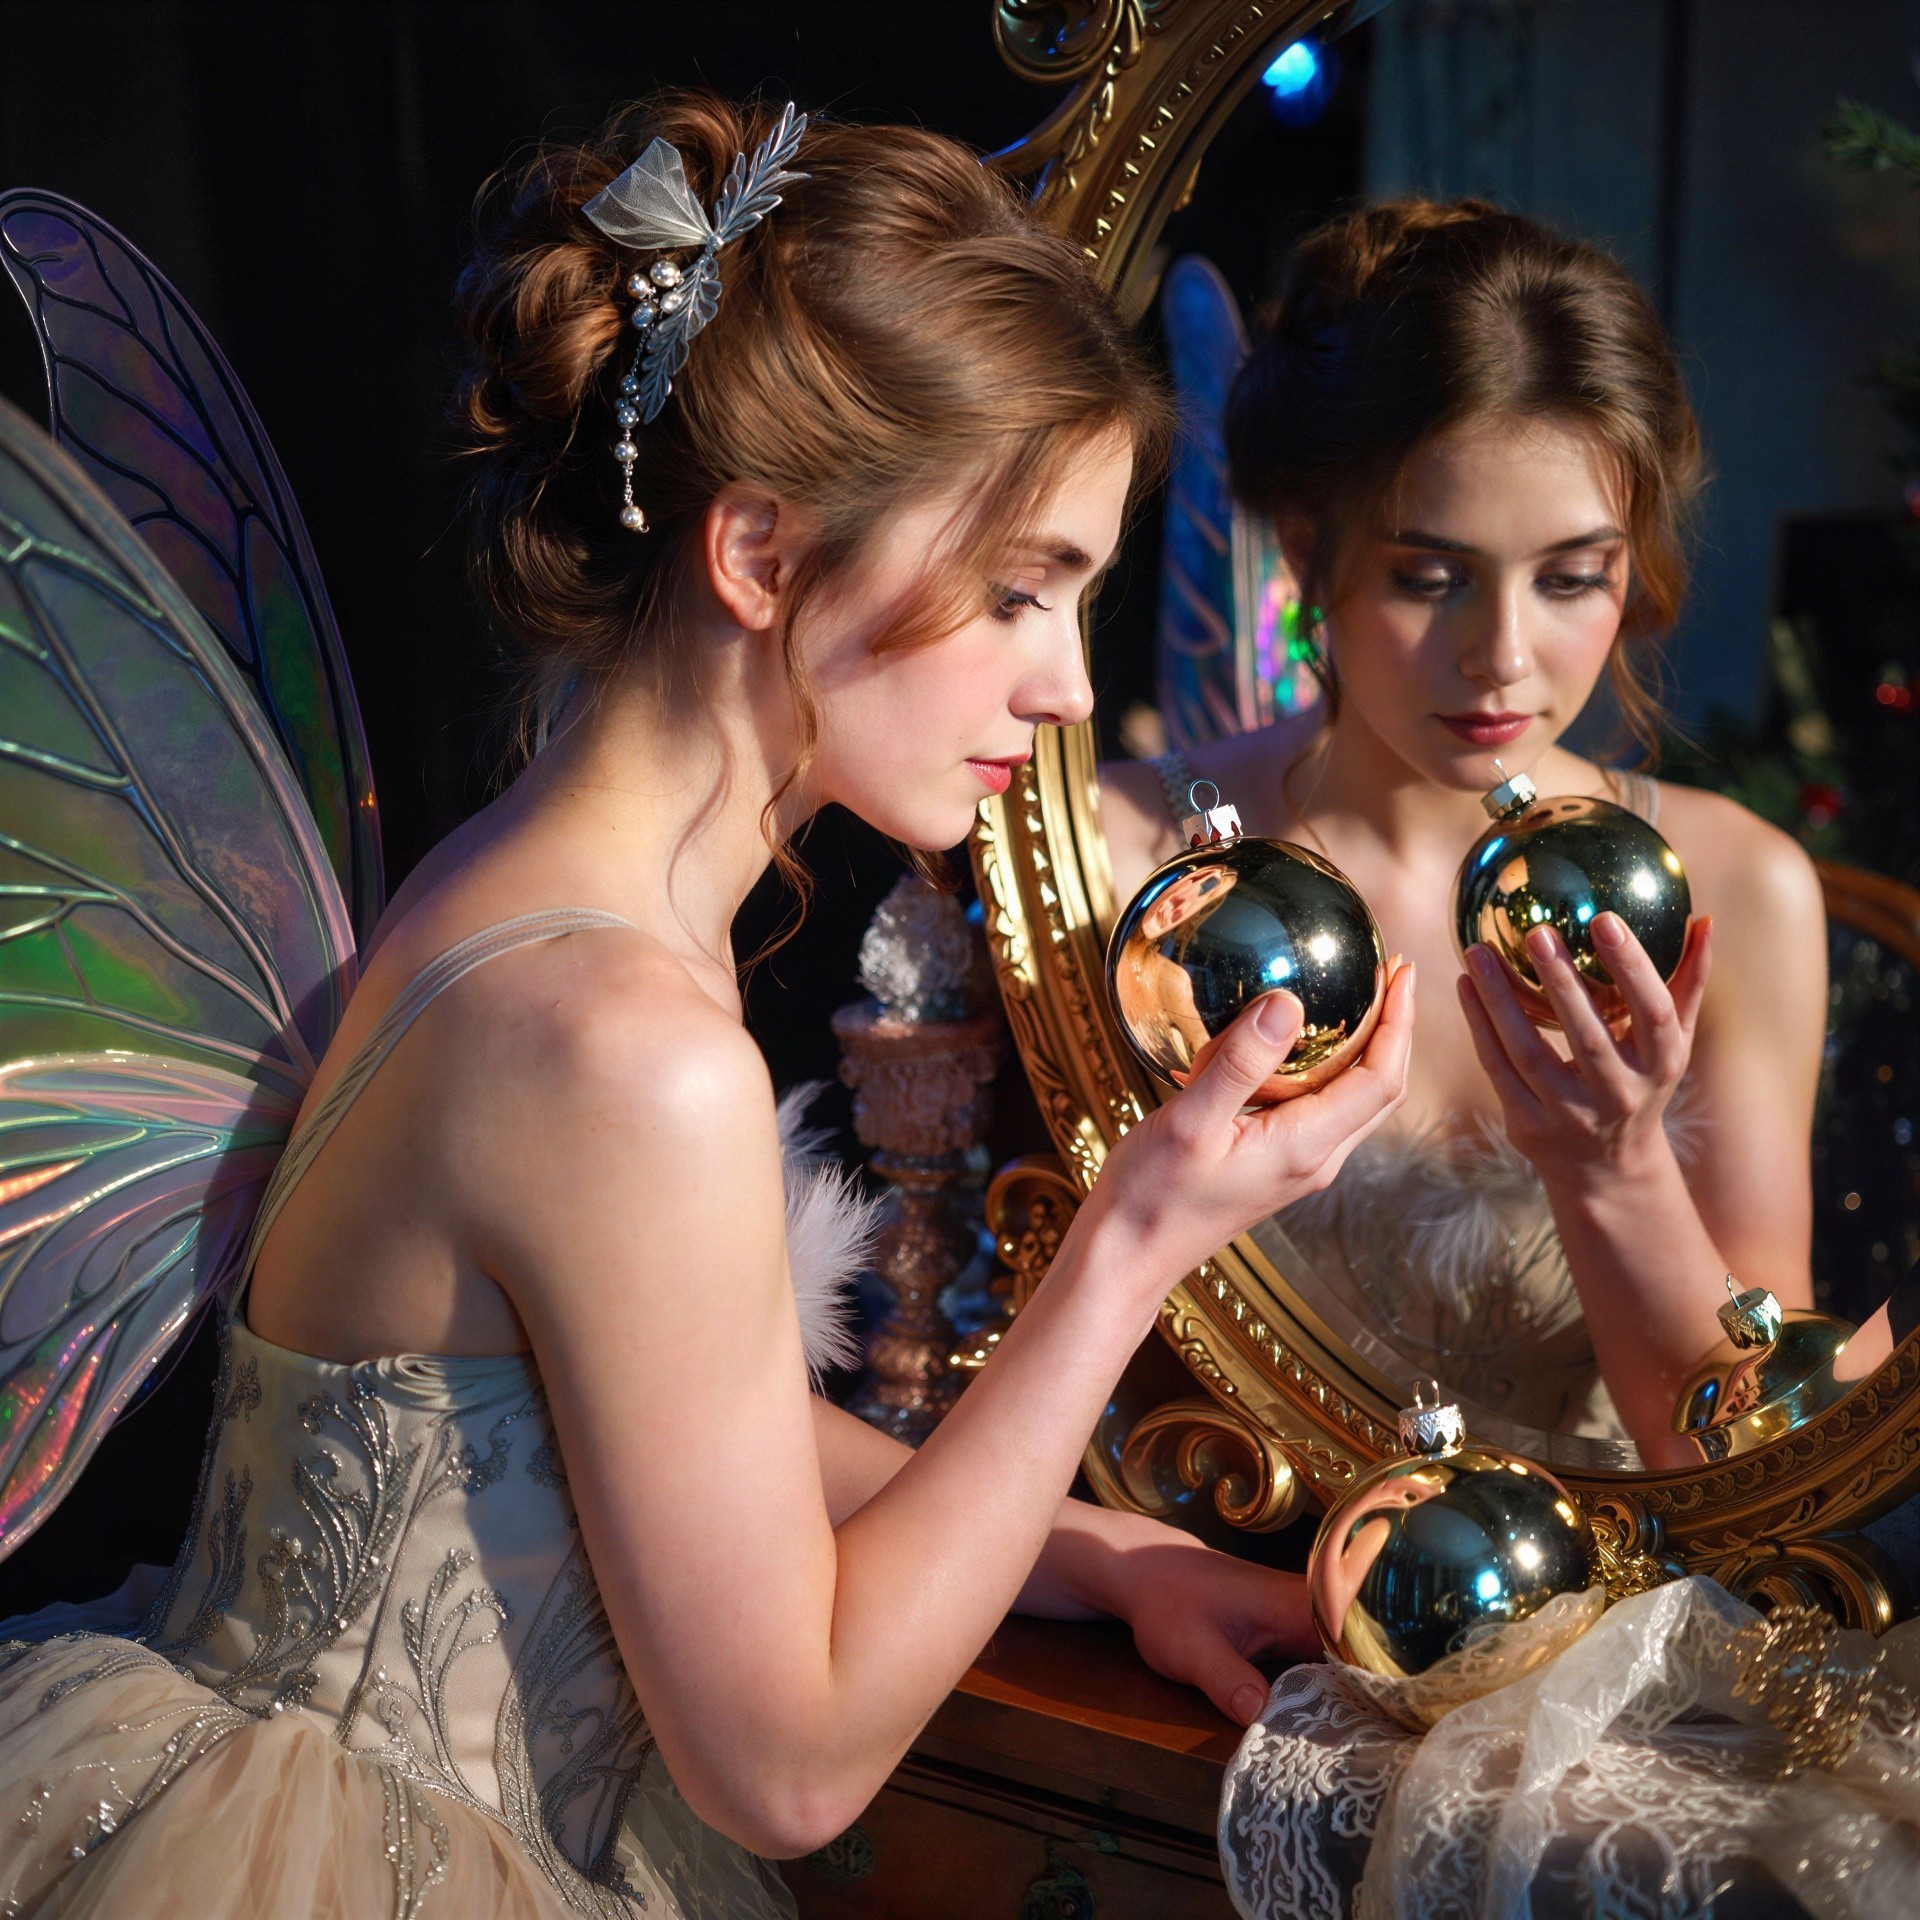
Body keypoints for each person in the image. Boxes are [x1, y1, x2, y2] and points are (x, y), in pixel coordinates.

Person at [0, 97, 1412, 1919]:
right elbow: (788, 1767)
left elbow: (668, 1419)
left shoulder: (502, 896)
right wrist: (1136, 1238)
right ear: (757, 555)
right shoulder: (625, 1051)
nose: (1070, 685)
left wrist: (1095, 1552)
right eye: (1016, 593)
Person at [1102, 200, 1824, 1466]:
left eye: (1571, 577)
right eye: (1430, 578)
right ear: (1304, 546)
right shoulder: (1121, 856)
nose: (1501, 657)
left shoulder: (1738, 886)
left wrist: (1616, 1168)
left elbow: (1755, 1470)